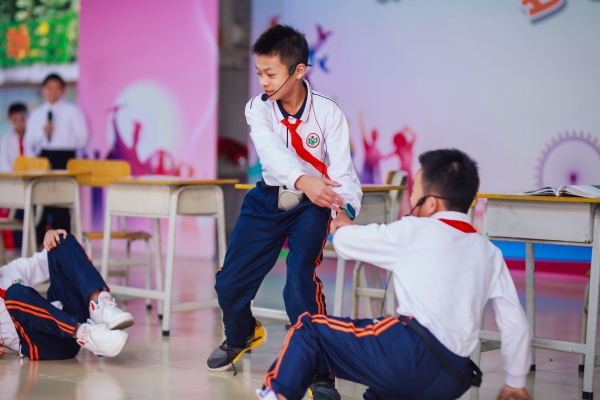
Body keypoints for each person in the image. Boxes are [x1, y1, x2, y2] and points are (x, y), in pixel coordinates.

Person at [256, 149, 533, 400]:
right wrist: (515, 381)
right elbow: (515, 323)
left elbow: (347, 243)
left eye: (414, 191)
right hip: (454, 376)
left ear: (431, 204)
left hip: (408, 352)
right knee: (383, 392)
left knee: (309, 331)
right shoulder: (489, 252)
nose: (411, 198)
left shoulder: (415, 231)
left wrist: (340, 220)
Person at [207, 24, 362, 399]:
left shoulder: (328, 113)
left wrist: (343, 212)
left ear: (298, 70)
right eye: (259, 73)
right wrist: (304, 179)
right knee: (229, 284)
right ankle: (242, 334)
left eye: (271, 74)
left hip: (312, 206)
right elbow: (271, 154)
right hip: (267, 199)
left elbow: (343, 172)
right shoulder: (257, 107)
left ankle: (320, 370)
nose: (263, 81)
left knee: (299, 283)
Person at [0, 229, 134, 360]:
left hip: (69, 318)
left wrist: (51, 236)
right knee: (14, 293)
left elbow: (57, 257)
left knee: (60, 242)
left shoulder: (13, 270)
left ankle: (100, 305)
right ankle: (86, 333)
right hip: (45, 343)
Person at [24, 73, 89, 241]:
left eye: (57, 88)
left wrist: (65, 141)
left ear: (63, 91)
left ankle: (61, 243)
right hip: (44, 157)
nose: (53, 92)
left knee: (62, 202)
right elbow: (29, 141)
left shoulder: (72, 111)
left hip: (65, 157)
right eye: (49, 88)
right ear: (43, 90)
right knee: (41, 201)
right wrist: (42, 133)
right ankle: (39, 244)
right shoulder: (37, 114)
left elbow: (82, 137)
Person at [0, 102, 28, 173]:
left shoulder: (33, 138)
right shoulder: (5, 141)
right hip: (12, 176)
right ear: (10, 120)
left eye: (22, 119)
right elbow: (4, 163)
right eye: (15, 120)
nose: (19, 123)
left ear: (28, 117)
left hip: (32, 176)